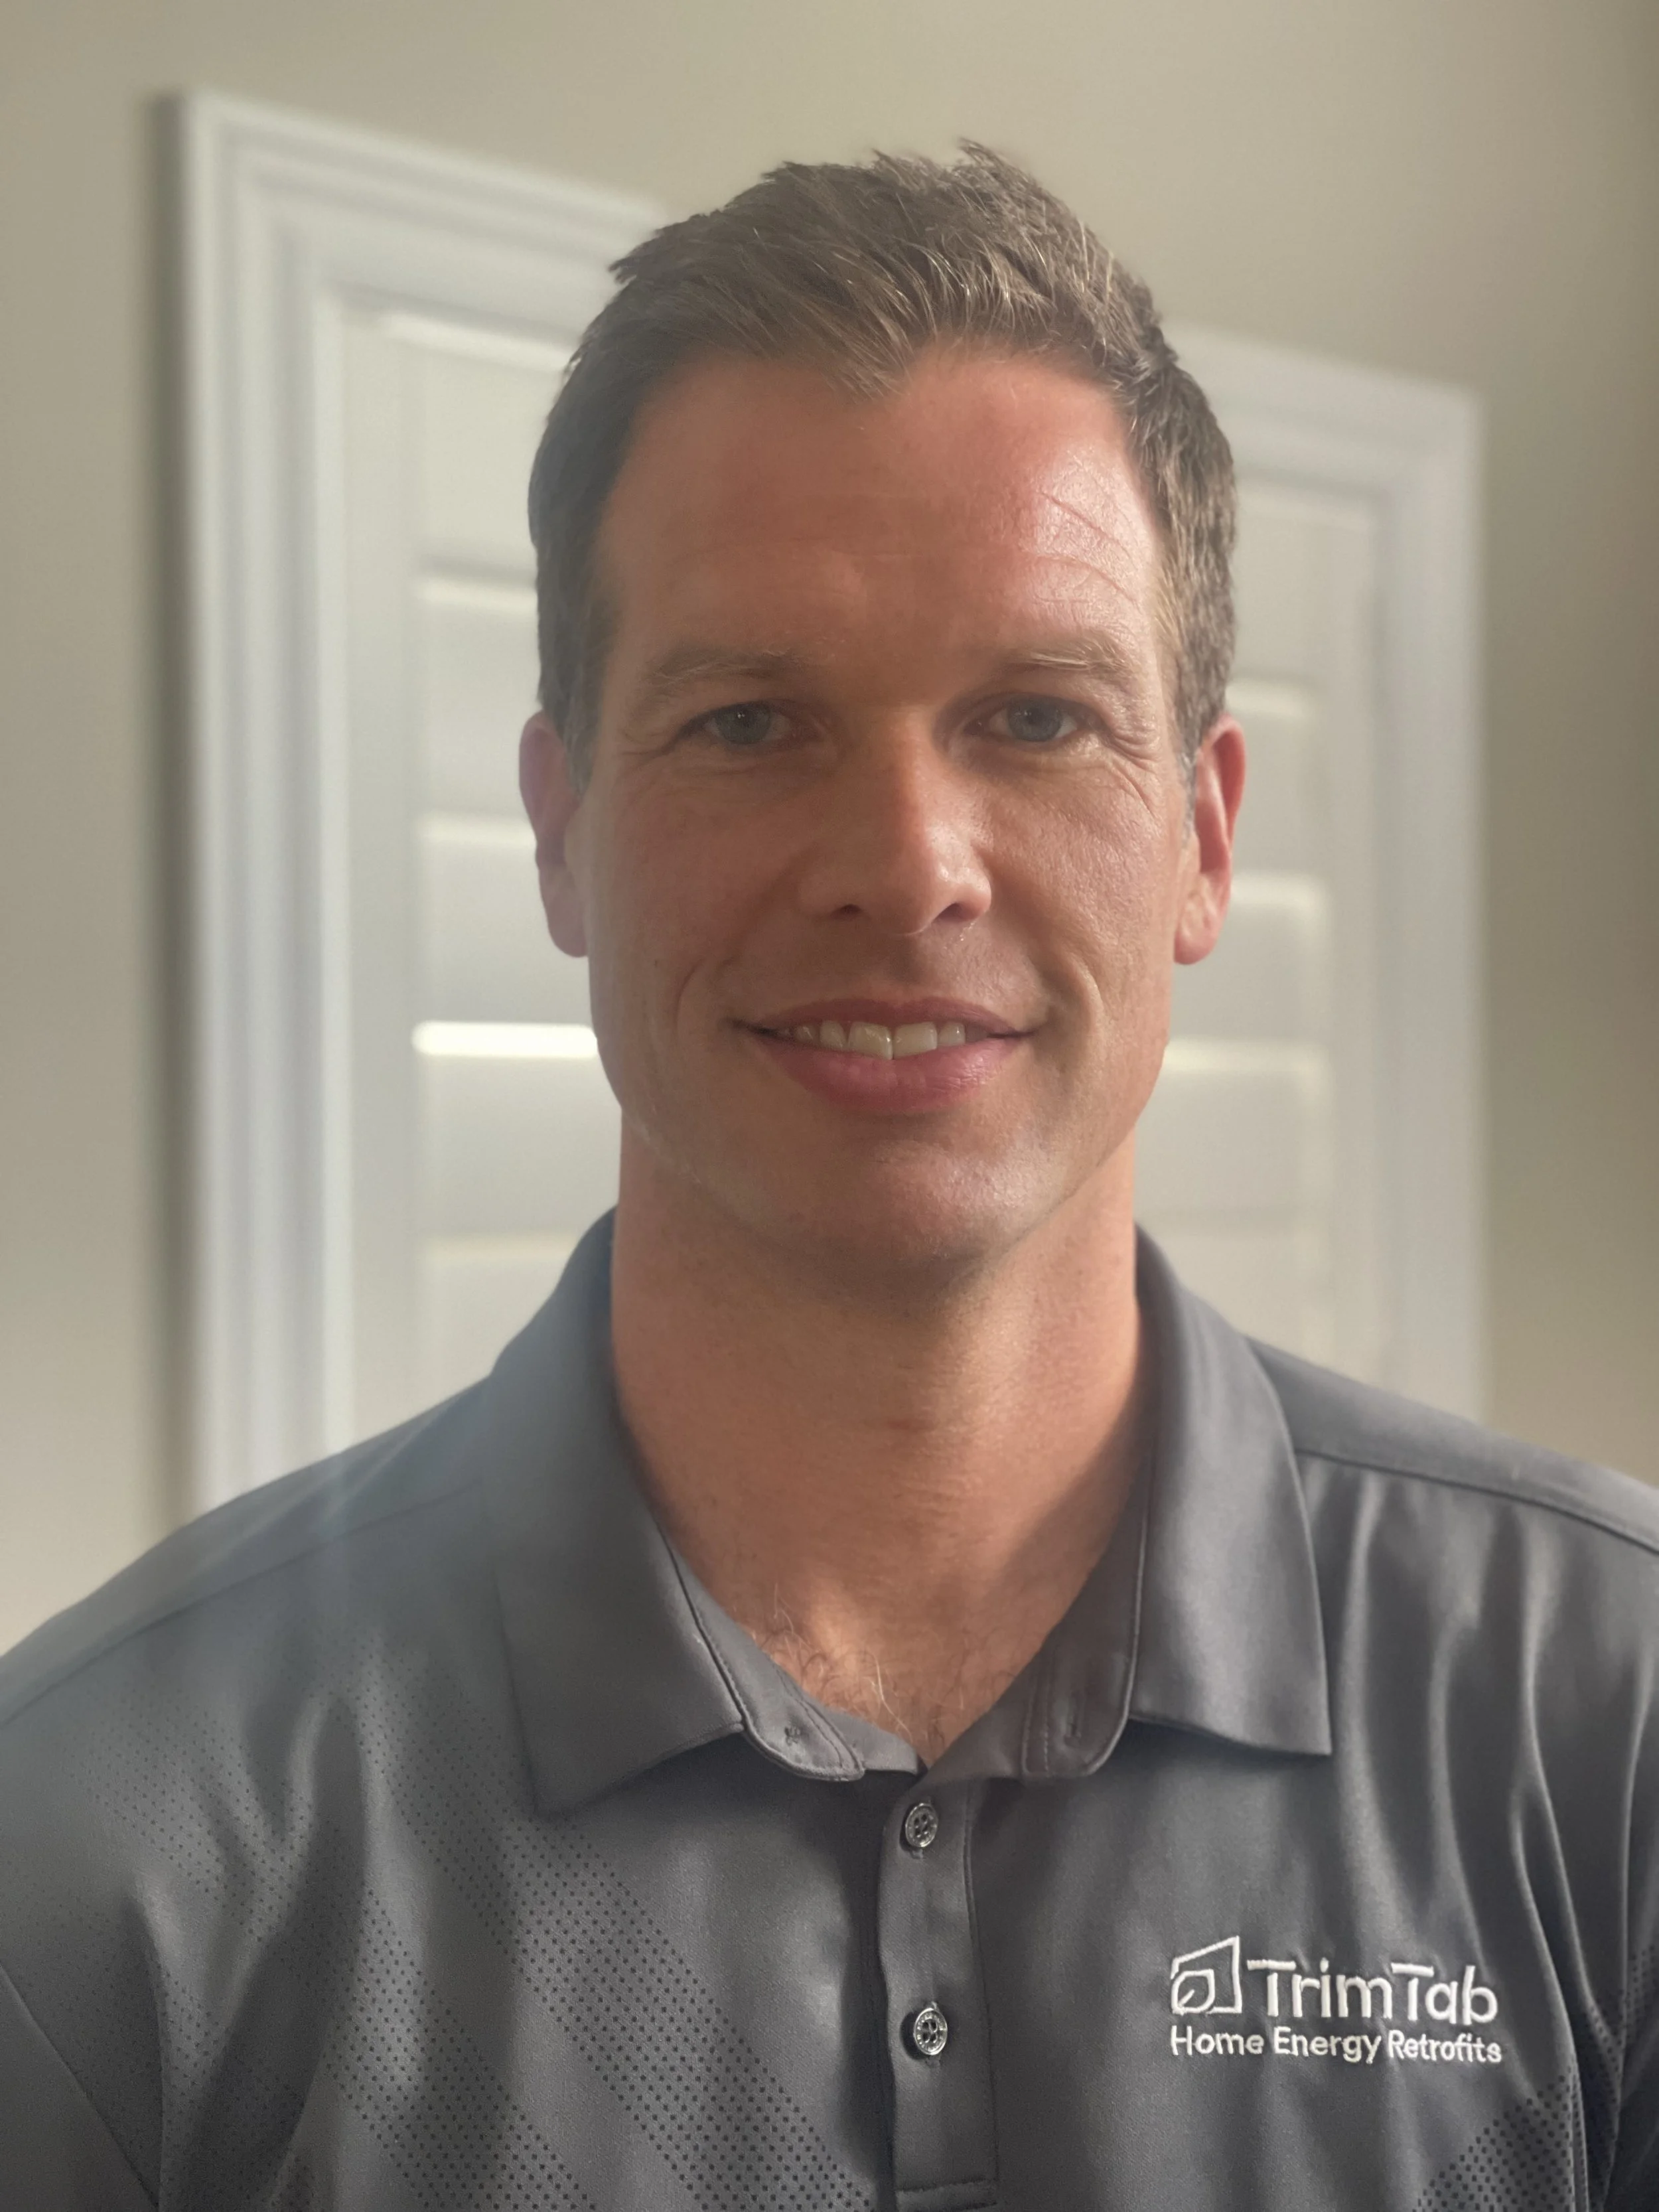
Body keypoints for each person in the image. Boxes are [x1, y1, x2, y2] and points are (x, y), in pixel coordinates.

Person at [2, 145, 1656, 2212]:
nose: (906, 860)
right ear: (561, 831)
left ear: (1205, 840)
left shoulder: (1605, 1716)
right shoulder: (94, 1825)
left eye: (1039, 715)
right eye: (751, 719)